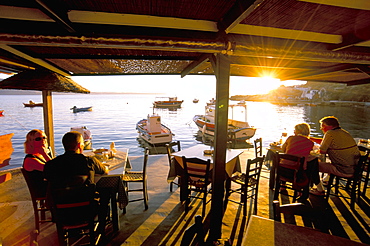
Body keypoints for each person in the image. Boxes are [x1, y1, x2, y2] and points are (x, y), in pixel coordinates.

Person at [309, 116, 360, 196]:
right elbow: (325, 142)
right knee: (336, 158)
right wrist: (310, 138)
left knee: (311, 165)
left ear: (329, 127)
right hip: (355, 168)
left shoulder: (329, 133)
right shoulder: (344, 132)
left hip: (343, 169)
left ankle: (319, 190)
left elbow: (322, 151)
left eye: (323, 126)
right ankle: (327, 179)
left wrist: (313, 149)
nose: (321, 129)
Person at [23, 129, 53, 197]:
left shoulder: (40, 155)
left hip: (49, 186)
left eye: (44, 137)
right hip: (43, 191)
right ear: (30, 142)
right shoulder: (30, 160)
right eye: (38, 139)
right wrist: (44, 154)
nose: (43, 140)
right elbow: (53, 169)